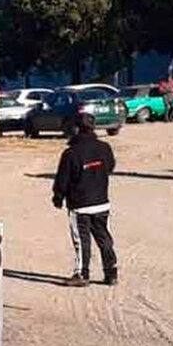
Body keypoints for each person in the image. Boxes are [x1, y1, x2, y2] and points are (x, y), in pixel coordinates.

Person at [52, 113, 117, 287]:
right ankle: (111, 273)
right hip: (102, 202)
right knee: (104, 238)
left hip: (80, 205)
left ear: (75, 129)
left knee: (82, 241)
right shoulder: (104, 147)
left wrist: (58, 197)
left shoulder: (71, 153)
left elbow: (62, 179)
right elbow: (110, 167)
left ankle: (82, 274)